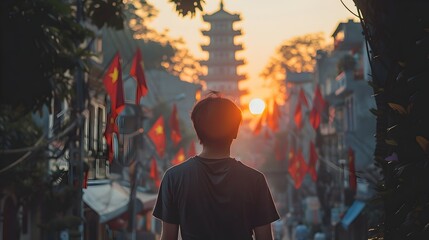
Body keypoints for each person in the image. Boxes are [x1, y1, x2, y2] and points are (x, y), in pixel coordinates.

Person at [153, 93, 280, 240]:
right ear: (235, 131)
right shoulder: (255, 180)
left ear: (197, 131)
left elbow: (168, 237)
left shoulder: (174, 178)